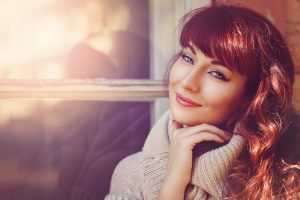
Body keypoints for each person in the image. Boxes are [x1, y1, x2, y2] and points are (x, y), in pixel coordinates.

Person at [105, 5, 300, 200]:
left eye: (217, 74)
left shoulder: (287, 177)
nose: (188, 82)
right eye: (188, 57)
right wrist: (172, 184)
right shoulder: (132, 175)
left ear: (251, 96)